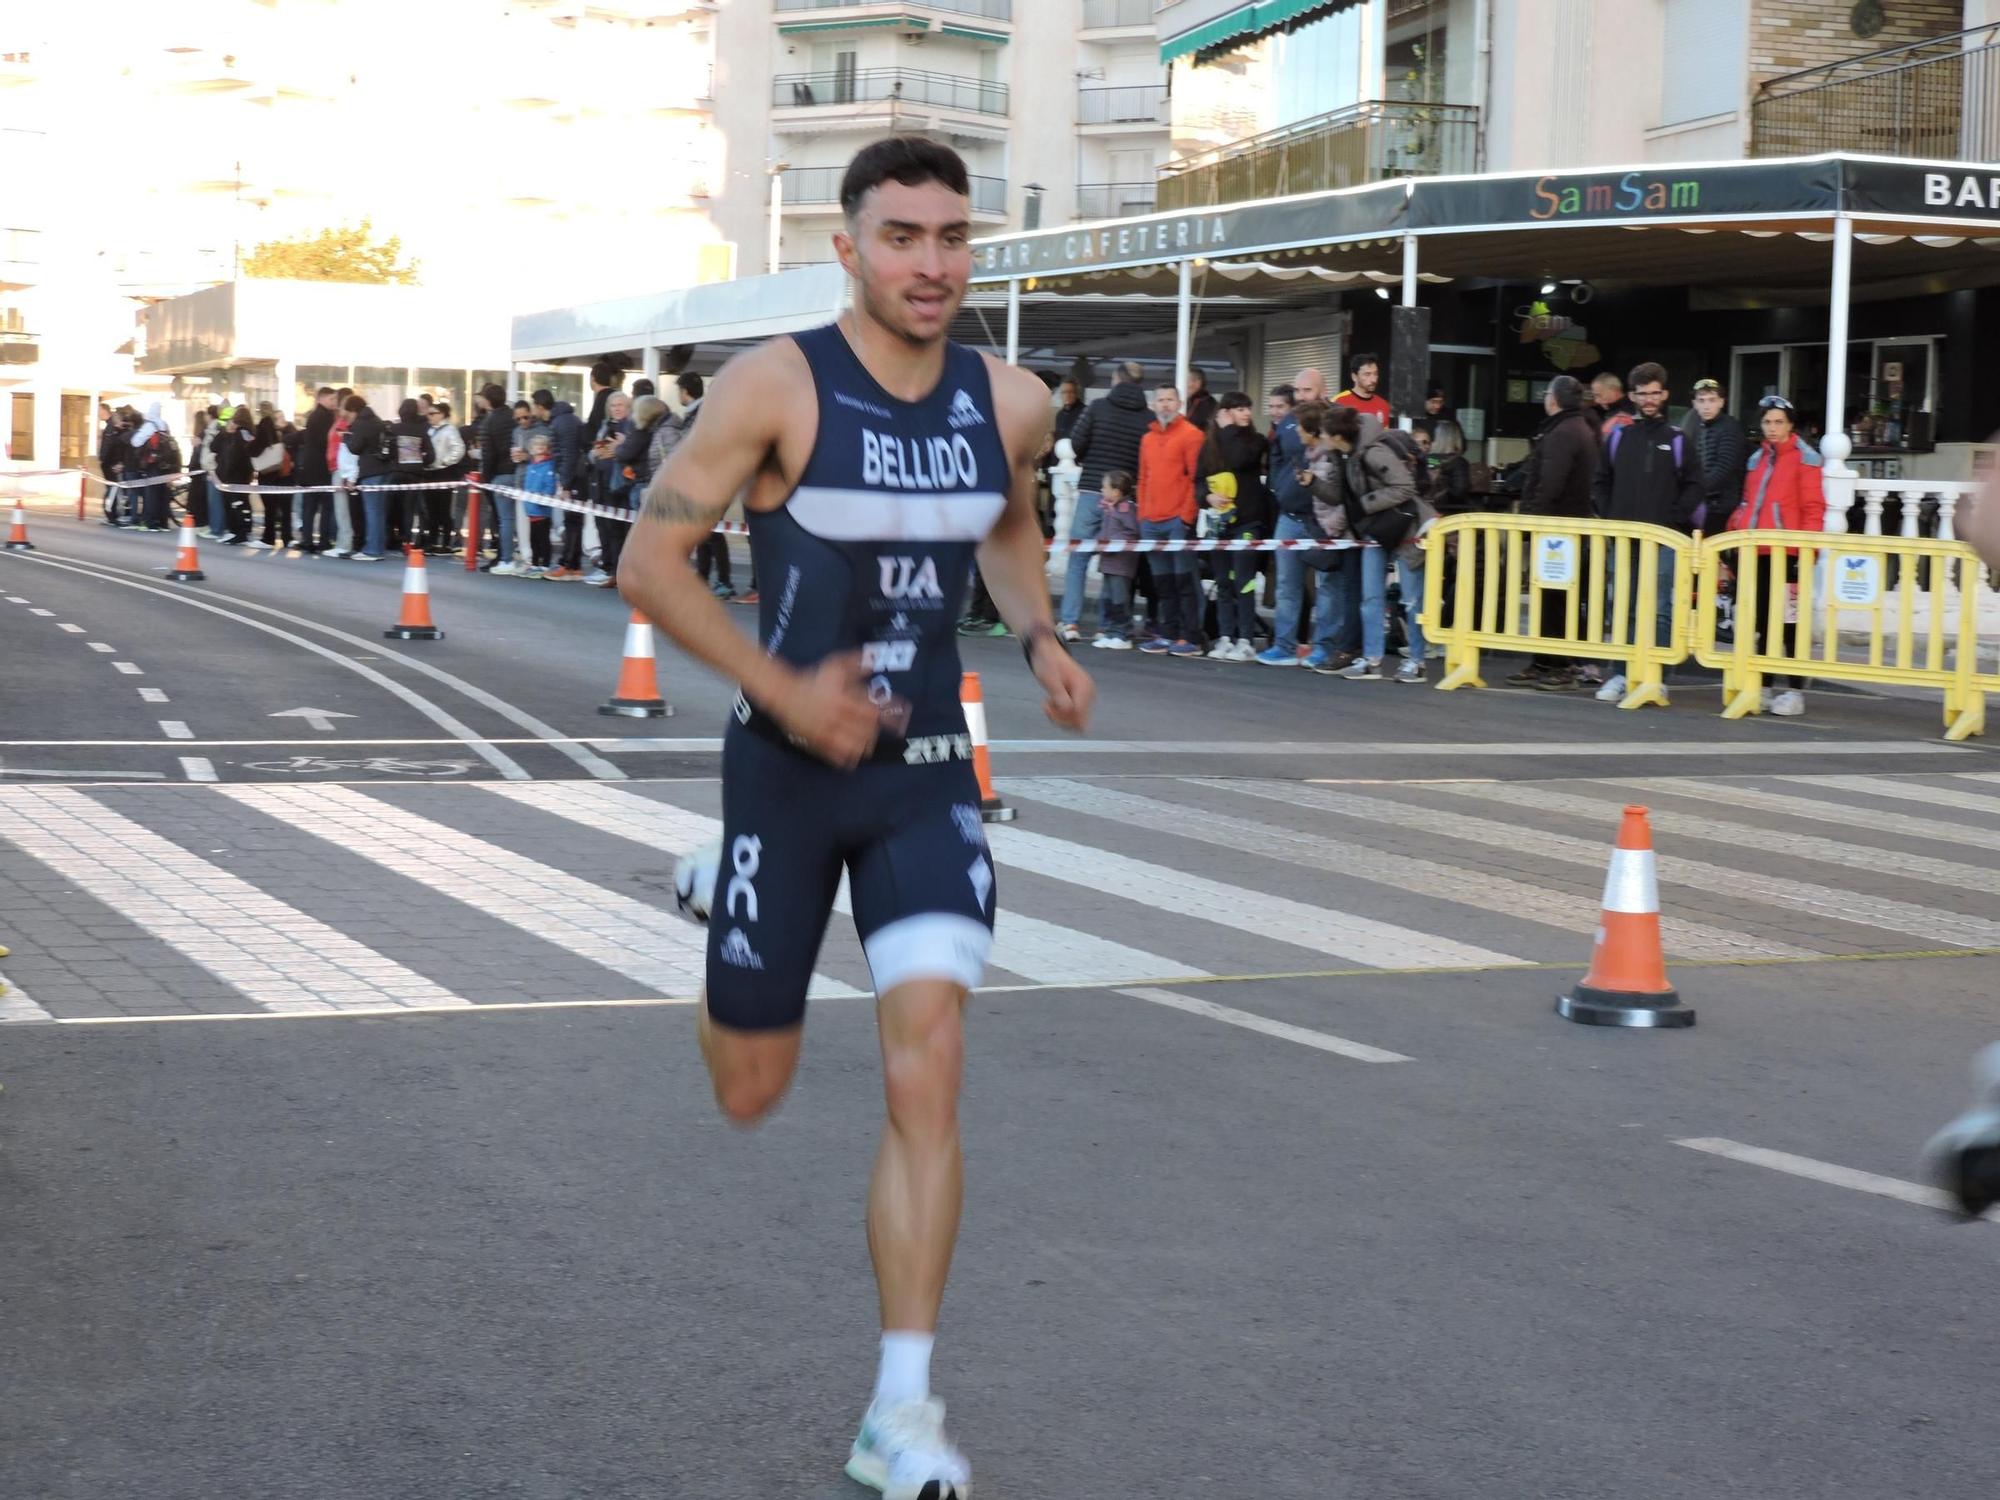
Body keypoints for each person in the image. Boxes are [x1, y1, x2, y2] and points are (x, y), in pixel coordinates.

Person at [615, 135, 1093, 1500]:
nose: (931, 263)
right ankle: (724, 883)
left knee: (924, 1062)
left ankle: (903, 1410)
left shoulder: (1014, 400)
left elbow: (1004, 519)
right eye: (902, 237)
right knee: (751, 1089)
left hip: (926, 772)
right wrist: (780, 686)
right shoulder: (775, 385)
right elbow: (651, 558)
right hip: (783, 770)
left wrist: (1042, 636)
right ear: (849, 247)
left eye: (952, 237)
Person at [1587, 361, 1702, 705]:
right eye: (1643, 394)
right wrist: (1611, 518)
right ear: (1633, 396)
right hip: (1625, 539)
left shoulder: (1678, 439)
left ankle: (1658, 676)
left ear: (1665, 395)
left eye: (1655, 393)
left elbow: (1695, 485)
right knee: (1623, 606)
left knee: (1662, 609)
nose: (1649, 400)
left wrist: (1673, 519)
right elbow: (1599, 481)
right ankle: (1622, 673)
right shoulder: (1619, 437)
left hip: (1666, 539)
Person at [1725, 394, 1825, 718]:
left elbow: (1813, 510)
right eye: (1767, 421)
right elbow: (1746, 504)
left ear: (1790, 424)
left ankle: (1795, 691)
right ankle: (1765, 687)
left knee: (1790, 624)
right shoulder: (1756, 460)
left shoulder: (1806, 458)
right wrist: (1735, 536)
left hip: (1789, 553)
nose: (1771, 428)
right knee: (1762, 622)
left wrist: (1806, 553)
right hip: (1758, 552)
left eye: (1778, 422)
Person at [1508, 374, 1598, 689]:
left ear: (1554, 399)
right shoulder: (1576, 428)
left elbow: (1550, 483)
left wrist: (1530, 519)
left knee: (1556, 598)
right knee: (1551, 596)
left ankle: (1558, 664)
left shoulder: (1563, 433)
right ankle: (1544, 661)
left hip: (1558, 529)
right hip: (1565, 527)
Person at [1060, 360, 1152, 641]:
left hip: (1092, 490)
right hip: (1125, 498)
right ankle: (1104, 625)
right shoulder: (1147, 418)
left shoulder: (1098, 407)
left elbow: (1075, 443)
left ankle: (1070, 623)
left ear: (1116, 379)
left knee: (1078, 559)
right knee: (1111, 564)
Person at [1195, 390, 1270, 660]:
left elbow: (1240, 458)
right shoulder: (1209, 445)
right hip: (1219, 525)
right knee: (1223, 582)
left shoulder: (1255, 442)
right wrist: (1207, 497)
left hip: (1248, 521)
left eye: (1247, 408)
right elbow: (1199, 480)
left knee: (1244, 582)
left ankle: (1246, 639)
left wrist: (1228, 430)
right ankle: (1226, 636)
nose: (1246, 413)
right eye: (1239, 408)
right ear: (1225, 413)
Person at [1134, 383, 1206, 658]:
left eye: (1169, 400)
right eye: (1160, 399)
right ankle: (1168, 633)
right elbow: (1142, 478)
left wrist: (1185, 516)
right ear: (1154, 404)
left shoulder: (1192, 435)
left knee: (1184, 581)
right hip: (1151, 521)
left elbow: (1194, 479)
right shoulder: (1147, 439)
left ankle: (1190, 637)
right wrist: (1142, 514)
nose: (1164, 404)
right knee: (1162, 583)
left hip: (1177, 520)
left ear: (1179, 403)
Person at [1682, 377, 1748, 535]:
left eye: (1712, 400)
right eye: (1702, 400)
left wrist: (1691, 491)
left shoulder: (1730, 427)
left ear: (1721, 402)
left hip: (1722, 507)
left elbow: (1723, 469)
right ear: (1694, 403)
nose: (1707, 406)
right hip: (1701, 504)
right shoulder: (1694, 426)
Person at [1088, 469, 1139, 649]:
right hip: (1108, 563)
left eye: (1105, 487)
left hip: (1121, 564)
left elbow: (1131, 533)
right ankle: (1110, 632)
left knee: (1119, 599)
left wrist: (1112, 544)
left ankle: (1123, 633)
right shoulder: (1109, 509)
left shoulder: (1126, 509)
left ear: (1116, 492)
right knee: (1108, 599)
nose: (1102, 490)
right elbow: (1104, 531)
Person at [342, 396, 392, 562]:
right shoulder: (376, 420)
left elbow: (355, 448)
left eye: (348, 413)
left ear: (354, 410)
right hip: (384, 469)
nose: (348, 417)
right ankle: (378, 547)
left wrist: (346, 437)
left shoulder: (361, 423)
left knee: (372, 511)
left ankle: (372, 549)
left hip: (370, 471)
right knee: (379, 511)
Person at [475, 383, 517, 571]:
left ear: (487, 400)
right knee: (520, 519)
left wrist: (486, 478)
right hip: (519, 471)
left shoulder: (489, 422)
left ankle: (504, 557)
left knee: (503, 519)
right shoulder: (512, 416)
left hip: (499, 475)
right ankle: (523, 555)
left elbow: (488, 454)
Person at [426, 400, 467, 553]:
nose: (429, 417)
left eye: (432, 413)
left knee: (443, 507)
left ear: (441, 414)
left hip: (444, 471)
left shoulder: (450, 430)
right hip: (429, 471)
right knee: (431, 509)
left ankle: (446, 543)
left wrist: (445, 461)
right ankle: (432, 540)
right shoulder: (429, 430)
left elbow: (459, 448)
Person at [518, 433, 558, 575]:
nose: (539, 448)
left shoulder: (548, 466)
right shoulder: (531, 466)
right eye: (536, 446)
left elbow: (549, 486)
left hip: (542, 509)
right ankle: (535, 563)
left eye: (542, 446)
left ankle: (545, 563)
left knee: (543, 538)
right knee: (533, 538)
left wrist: (544, 498)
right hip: (531, 508)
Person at [1333, 351, 1392, 426]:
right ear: (1354, 377)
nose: (1373, 380)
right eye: (1367, 374)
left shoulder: (1383, 405)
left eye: (1375, 374)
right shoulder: (1339, 402)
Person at [1184, 366, 1217, 432]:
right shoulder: (1180, 400)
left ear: (1201, 382)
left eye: (1194, 380)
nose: (1189, 384)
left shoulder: (1208, 403)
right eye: (1186, 380)